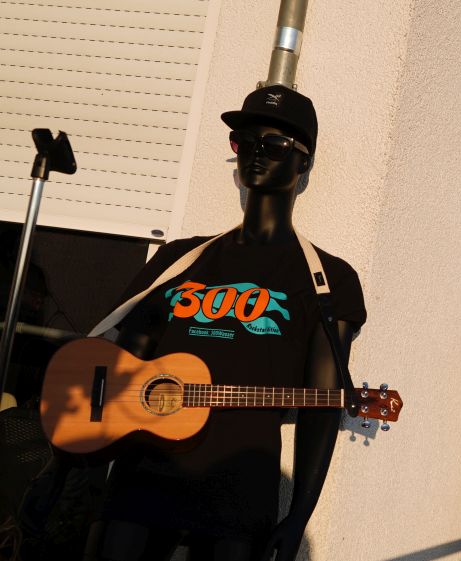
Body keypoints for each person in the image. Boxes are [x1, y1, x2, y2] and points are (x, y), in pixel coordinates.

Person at [71, 84, 367, 561]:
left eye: (274, 144)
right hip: (140, 480)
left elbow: (322, 408)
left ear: (304, 161)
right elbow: (117, 370)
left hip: (238, 493)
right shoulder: (178, 259)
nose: (255, 153)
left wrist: (299, 517)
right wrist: (65, 466)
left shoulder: (328, 281)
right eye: (244, 142)